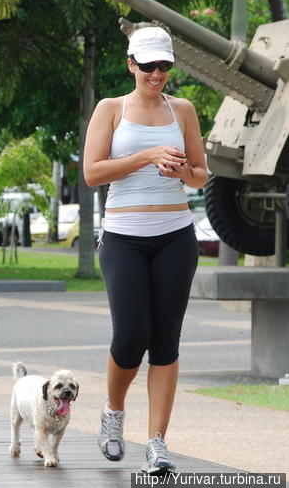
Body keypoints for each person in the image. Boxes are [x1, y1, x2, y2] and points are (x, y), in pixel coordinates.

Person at [83, 26, 207, 475]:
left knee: (165, 341)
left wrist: (180, 171)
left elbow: (200, 175)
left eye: (164, 66)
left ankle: (157, 442)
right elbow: (93, 173)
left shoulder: (185, 110)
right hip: (123, 238)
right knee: (131, 335)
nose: (156, 74)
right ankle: (113, 413)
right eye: (148, 66)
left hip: (175, 234)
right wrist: (146, 156)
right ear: (131, 63)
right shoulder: (110, 109)